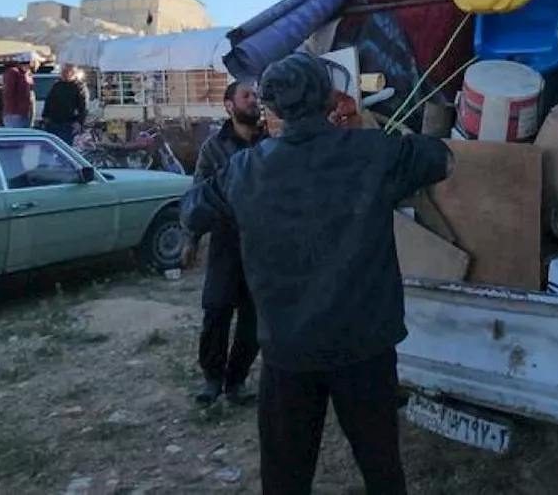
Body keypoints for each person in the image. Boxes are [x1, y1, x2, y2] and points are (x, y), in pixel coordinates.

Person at [182, 53, 451, 495]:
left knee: (286, 479)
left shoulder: (245, 171)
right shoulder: (373, 152)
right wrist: (364, 127)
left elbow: (192, 213)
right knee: (382, 469)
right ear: (330, 98)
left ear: (272, 108)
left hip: (288, 353)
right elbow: (442, 159)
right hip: (365, 348)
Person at [180, 81, 266, 406]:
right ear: (229, 105)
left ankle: (237, 381)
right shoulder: (213, 148)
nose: (254, 100)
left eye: (255, 95)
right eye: (247, 95)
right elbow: (197, 197)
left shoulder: (270, 143)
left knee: (253, 316)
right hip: (226, 241)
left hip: (261, 244)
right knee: (216, 309)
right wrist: (191, 239)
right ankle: (212, 379)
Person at [42, 64, 88, 144]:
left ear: (73, 73)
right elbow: (49, 102)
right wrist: (45, 116)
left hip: (68, 124)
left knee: (64, 147)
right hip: (53, 123)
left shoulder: (79, 87)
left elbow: (83, 107)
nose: (64, 74)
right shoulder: (57, 85)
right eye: (63, 71)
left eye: (67, 71)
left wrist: (79, 122)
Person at [2, 54, 37, 128]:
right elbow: (8, 93)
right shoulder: (13, 72)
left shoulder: (27, 74)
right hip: (15, 113)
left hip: (26, 112)